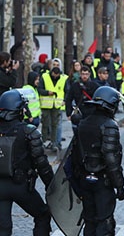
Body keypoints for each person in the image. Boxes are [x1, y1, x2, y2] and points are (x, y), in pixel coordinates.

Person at [71, 86, 124, 234]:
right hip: (103, 180)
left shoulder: (83, 123)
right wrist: (119, 185)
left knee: (89, 220)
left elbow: (75, 153)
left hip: (84, 178)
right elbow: (111, 159)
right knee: (105, 222)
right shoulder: (109, 125)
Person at [0, 89, 53, 235]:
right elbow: (42, 164)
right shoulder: (29, 131)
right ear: (18, 110)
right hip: (21, 186)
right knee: (42, 215)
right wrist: (51, 184)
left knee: (3, 228)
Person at [38, 66, 68, 151]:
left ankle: (54, 143)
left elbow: (67, 91)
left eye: (56, 75)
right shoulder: (44, 77)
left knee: (55, 125)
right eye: (54, 75)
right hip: (46, 105)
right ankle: (43, 141)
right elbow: (39, 89)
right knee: (45, 124)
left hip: (57, 105)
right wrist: (47, 92)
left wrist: (65, 100)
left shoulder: (63, 79)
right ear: (51, 73)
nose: (55, 77)